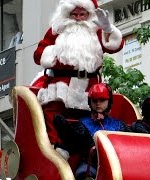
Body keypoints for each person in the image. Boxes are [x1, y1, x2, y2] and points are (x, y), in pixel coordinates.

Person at [32, 0, 124, 146]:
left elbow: (114, 47)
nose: (78, 18)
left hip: (89, 88)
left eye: (82, 14)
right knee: (55, 119)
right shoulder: (57, 30)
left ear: (89, 14)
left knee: (89, 123)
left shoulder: (97, 31)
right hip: (61, 86)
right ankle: (56, 152)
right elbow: (38, 55)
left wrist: (108, 29)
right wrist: (54, 54)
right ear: (67, 14)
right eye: (74, 14)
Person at [54, 83, 131, 179]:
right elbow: (74, 144)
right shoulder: (83, 123)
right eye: (94, 100)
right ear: (90, 102)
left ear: (109, 101)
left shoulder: (119, 125)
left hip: (116, 164)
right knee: (83, 174)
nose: (98, 103)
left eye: (102, 100)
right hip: (90, 163)